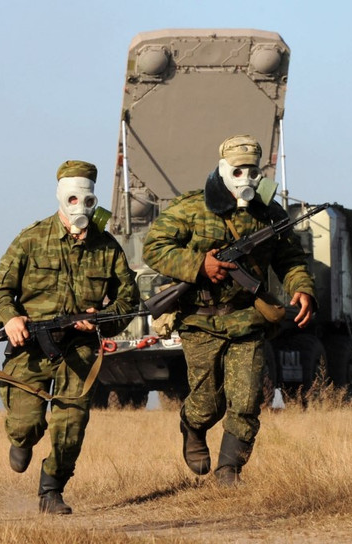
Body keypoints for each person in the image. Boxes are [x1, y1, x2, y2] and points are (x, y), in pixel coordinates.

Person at [142, 134, 316, 485]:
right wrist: (197, 264)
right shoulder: (191, 207)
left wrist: (302, 288)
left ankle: (228, 469)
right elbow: (154, 248)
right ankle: (191, 426)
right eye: (238, 171)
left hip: (247, 318)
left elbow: (290, 257)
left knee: (247, 398)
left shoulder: (269, 212)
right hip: (200, 320)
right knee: (208, 402)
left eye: (253, 170)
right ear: (223, 169)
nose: (246, 178)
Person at [0, 160, 139, 514]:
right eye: (72, 199)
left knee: (71, 424)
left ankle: (51, 489)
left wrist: (100, 320)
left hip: (79, 351)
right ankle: (22, 439)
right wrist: (10, 319)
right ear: (60, 197)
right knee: (26, 423)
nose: (79, 208)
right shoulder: (31, 239)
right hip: (31, 348)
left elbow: (129, 302)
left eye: (86, 200)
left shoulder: (107, 247)